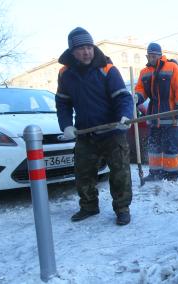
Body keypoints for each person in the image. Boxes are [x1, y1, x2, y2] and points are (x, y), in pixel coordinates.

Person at [56, 27, 134, 226]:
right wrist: (66, 125)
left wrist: (124, 116)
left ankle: (122, 208)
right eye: (81, 48)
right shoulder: (65, 74)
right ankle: (89, 206)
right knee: (83, 173)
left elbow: (123, 97)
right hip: (85, 133)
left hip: (112, 132)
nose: (86, 52)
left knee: (120, 173)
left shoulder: (107, 68)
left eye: (89, 47)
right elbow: (63, 103)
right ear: (72, 51)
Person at [135, 43, 178, 182]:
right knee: (154, 147)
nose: (151, 58)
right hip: (153, 117)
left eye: (154, 55)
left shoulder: (173, 68)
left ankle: (171, 176)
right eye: (149, 55)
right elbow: (141, 90)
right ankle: (155, 173)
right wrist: (137, 97)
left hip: (171, 117)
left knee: (170, 148)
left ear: (160, 55)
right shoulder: (144, 72)